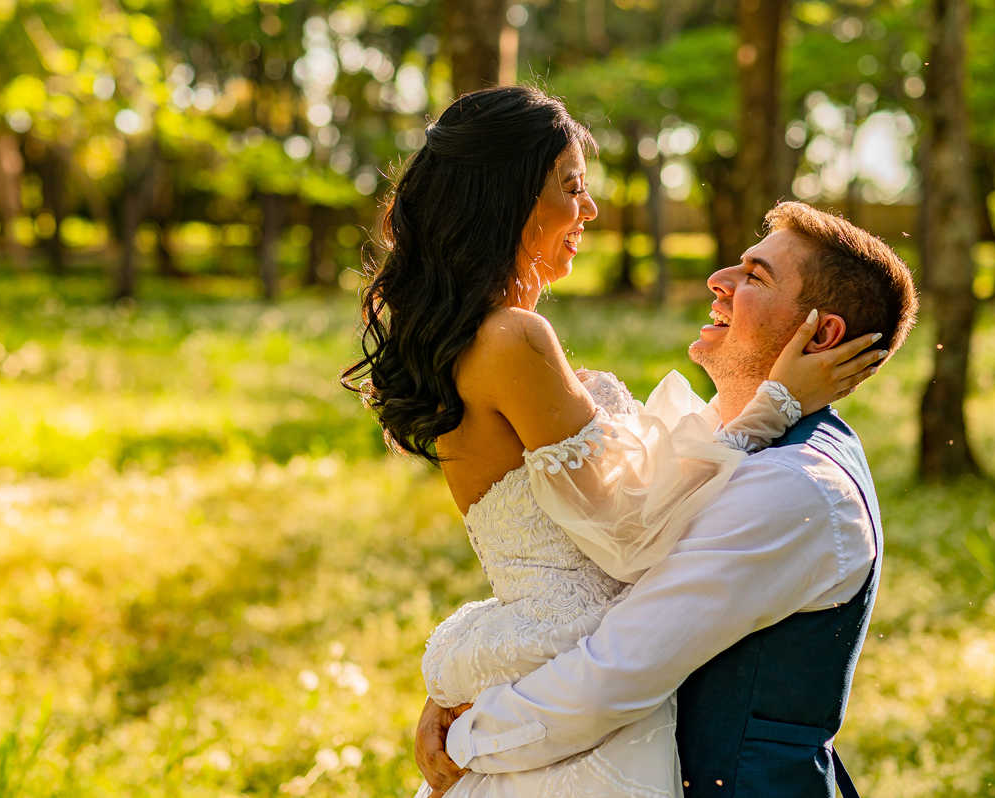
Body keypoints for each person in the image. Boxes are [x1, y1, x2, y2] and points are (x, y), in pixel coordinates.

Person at [342, 85, 888, 797]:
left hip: (553, 657)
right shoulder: (513, 339)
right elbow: (629, 538)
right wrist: (769, 410)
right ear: (508, 198)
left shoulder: (480, 338)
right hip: (578, 674)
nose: (590, 210)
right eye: (572, 188)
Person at [415, 201, 918, 798]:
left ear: (822, 334)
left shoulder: (796, 485)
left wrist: (468, 735)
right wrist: (467, 684)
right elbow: (593, 581)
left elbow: (617, 669)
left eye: (756, 277)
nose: (718, 280)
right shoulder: (730, 440)